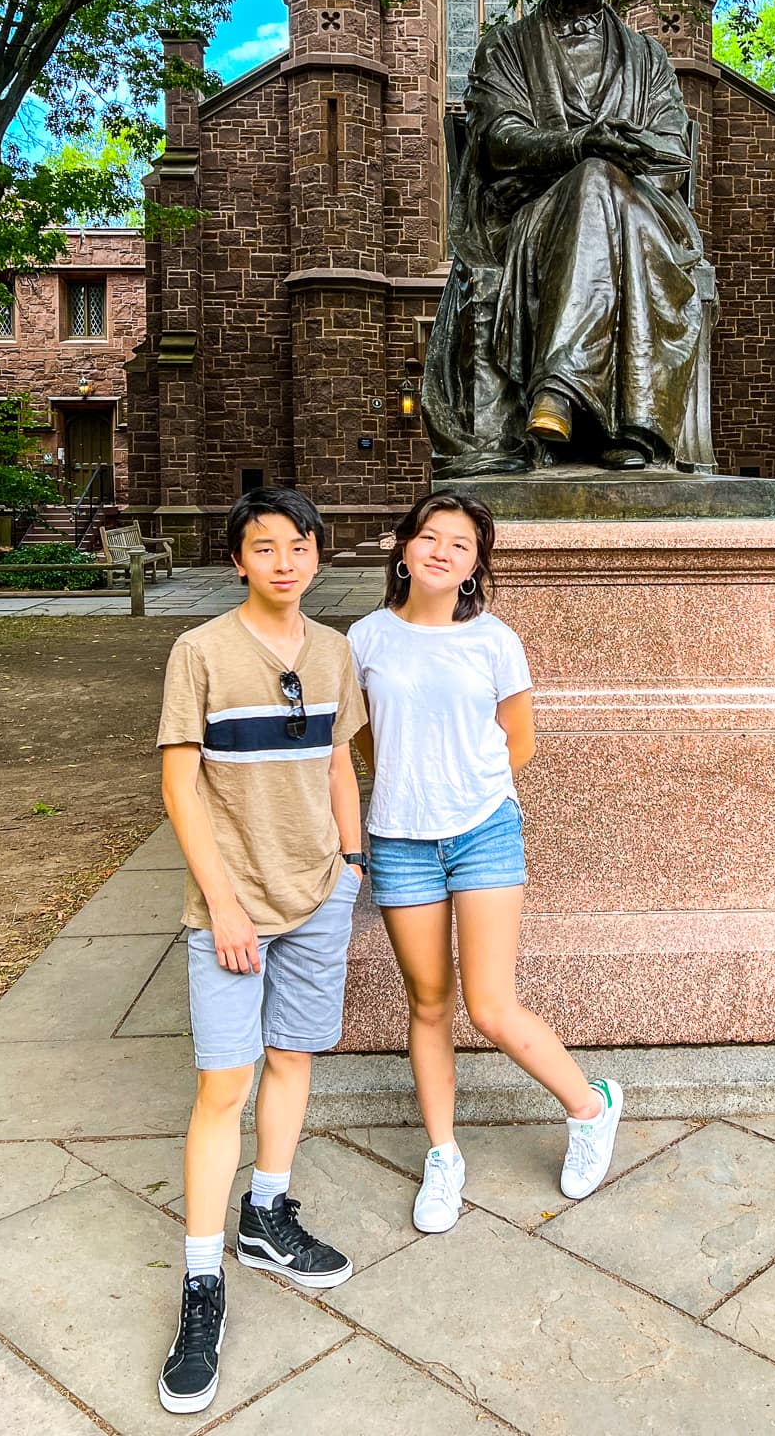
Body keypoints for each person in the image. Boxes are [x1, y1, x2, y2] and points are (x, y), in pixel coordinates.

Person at [347, 490, 622, 1233]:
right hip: (400, 838)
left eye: (459, 544)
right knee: (429, 1003)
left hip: (482, 832)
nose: (440, 550)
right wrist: (407, 781)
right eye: (428, 537)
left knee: (490, 1005)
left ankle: (590, 1107)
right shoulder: (365, 639)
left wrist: (462, 787)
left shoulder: (495, 639)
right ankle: (443, 1158)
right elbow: (364, 738)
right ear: (403, 549)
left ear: (474, 567)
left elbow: (518, 741)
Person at [155, 487, 368, 1416]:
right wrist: (224, 904)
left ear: (317, 555)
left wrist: (351, 865)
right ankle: (203, 1284)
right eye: (262, 547)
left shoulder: (335, 651)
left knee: (292, 1060)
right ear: (238, 559)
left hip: (320, 894)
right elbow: (180, 785)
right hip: (233, 911)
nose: (283, 560)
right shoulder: (199, 653)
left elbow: (336, 761)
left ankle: (267, 1214)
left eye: (297, 546)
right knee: (224, 1086)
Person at [422, 0, 707, 474]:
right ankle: (629, 425)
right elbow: (498, 139)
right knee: (592, 178)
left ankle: (560, 392)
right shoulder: (505, 48)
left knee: (603, 181)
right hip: (534, 220)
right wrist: (580, 147)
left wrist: (608, 160)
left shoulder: (649, 60)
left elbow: (673, 151)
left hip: (644, 220)